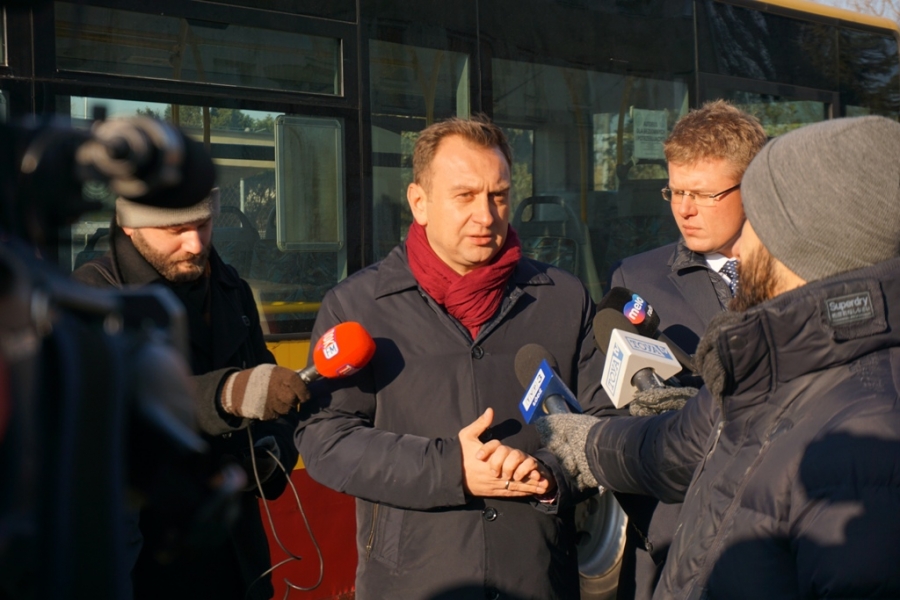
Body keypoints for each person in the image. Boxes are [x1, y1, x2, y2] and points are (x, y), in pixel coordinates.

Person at [538, 115, 900, 599]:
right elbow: (682, 442)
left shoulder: (867, 429)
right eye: (675, 193)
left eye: (759, 225)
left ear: (802, 240)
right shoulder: (792, 356)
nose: (741, 249)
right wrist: (585, 447)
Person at [294, 116, 609, 599]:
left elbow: (601, 422)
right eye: (465, 196)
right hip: (413, 584)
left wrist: (549, 472)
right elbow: (324, 440)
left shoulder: (563, 299)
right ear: (418, 202)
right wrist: (450, 469)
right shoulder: (356, 307)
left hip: (537, 578)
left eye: (498, 195)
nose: (486, 215)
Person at [73, 188, 309, 600]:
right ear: (129, 225)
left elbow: (270, 388)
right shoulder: (94, 293)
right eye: (175, 230)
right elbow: (119, 406)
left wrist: (274, 454)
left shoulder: (231, 288)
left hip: (239, 559)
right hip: (152, 561)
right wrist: (231, 393)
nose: (196, 244)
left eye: (203, 225)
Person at [605, 100, 768, 599]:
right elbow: (620, 416)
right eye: (675, 191)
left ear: (753, 186)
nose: (684, 209)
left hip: (785, 525)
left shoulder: (803, 269)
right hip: (685, 541)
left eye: (703, 194)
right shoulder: (638, 279)